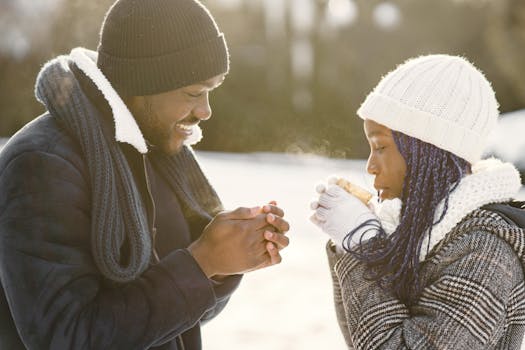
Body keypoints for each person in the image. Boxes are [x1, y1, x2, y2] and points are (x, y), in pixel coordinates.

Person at [0, 0, 290, 349]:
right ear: (141, 85)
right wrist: (202, 261)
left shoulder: (149, 152)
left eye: (210, 92)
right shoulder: (43, 166)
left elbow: (175, 320)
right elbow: (65, 338)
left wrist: (225, 262)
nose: (206, 111)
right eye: (194, 93)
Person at [310, 54, 525, 349]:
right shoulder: (421, 233)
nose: (370, 166)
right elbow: (363, 338)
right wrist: (353, 243)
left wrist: (361, 243)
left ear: (427, 151)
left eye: (381, 146)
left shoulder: (484, 252)